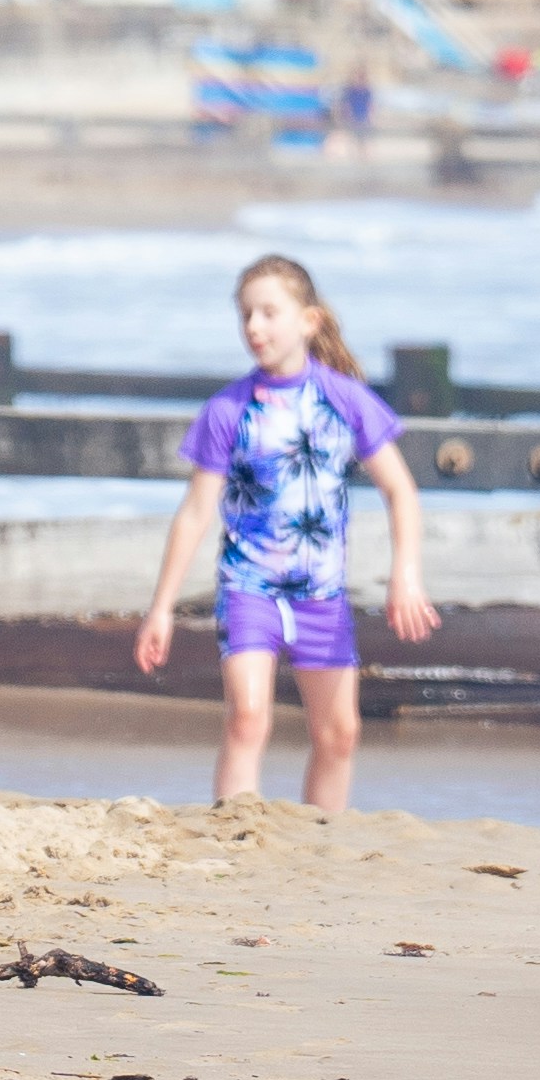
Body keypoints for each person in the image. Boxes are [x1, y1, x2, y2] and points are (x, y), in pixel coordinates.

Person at [128, 250, 438, 815]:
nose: (254, 327)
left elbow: (401, 491)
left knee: (338, 734)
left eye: (268, 313)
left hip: (322, 595)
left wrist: (407, 575)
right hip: (249, 588)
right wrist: (161, 608)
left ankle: (323, 833)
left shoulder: (345, 400)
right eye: (246, 315)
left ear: (308, 321)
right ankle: (236, 835)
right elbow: (196, 512)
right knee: (248, 717)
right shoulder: (228, 410)